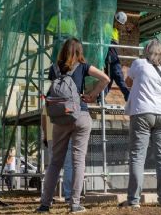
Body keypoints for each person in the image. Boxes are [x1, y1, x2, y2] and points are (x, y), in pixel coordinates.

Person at [37, 38, 110, 213]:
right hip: (80, 115)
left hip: (61, 119)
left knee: (55, 162)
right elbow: (105, 79)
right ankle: (75, 204)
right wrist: (92, 95)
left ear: (63, 51)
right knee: (78, 162)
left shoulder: (54, 69)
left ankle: (45, 204)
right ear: (79, 52)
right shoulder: (83, 66)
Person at [119, 39, 161, 209]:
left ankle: (134, 200)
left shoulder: (139, 63)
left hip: (142, 112)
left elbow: (127, 83)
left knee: (137, 155)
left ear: (147, 51)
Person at [41, 107, 72, 202]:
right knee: (68, 165)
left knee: (53, 166)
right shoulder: (69, 97)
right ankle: (69, 195)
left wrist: (45, 136)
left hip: (51, 136)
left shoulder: (49, 101)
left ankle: (48, 196)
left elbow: (43, 120)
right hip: (66, 135)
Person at [104, 11, 131, 102]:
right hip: (111, 58)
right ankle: (128, 96)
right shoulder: (108, 27)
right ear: (115, 21)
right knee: (119, 77)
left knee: (109, 80)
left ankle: (101, 99)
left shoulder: (115, 31)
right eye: (119, 24)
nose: (120, 26)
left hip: (114, 58)